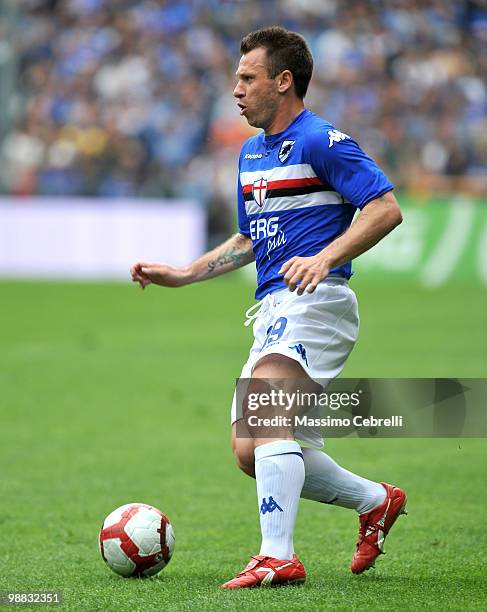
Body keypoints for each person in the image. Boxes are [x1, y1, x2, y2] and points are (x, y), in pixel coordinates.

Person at [131, 26, 406, 589]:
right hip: (273, 307)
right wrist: (184, 273)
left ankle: (276, 556)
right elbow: (249, 238)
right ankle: (376, 501)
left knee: (271, 409)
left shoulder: (321, 140)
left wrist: (325, 257)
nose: (235, 89)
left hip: (315, 300)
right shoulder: (251, 153)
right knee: (250, 451)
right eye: (237, 78)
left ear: (283, 82)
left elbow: (384, 208)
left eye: (247, 78)